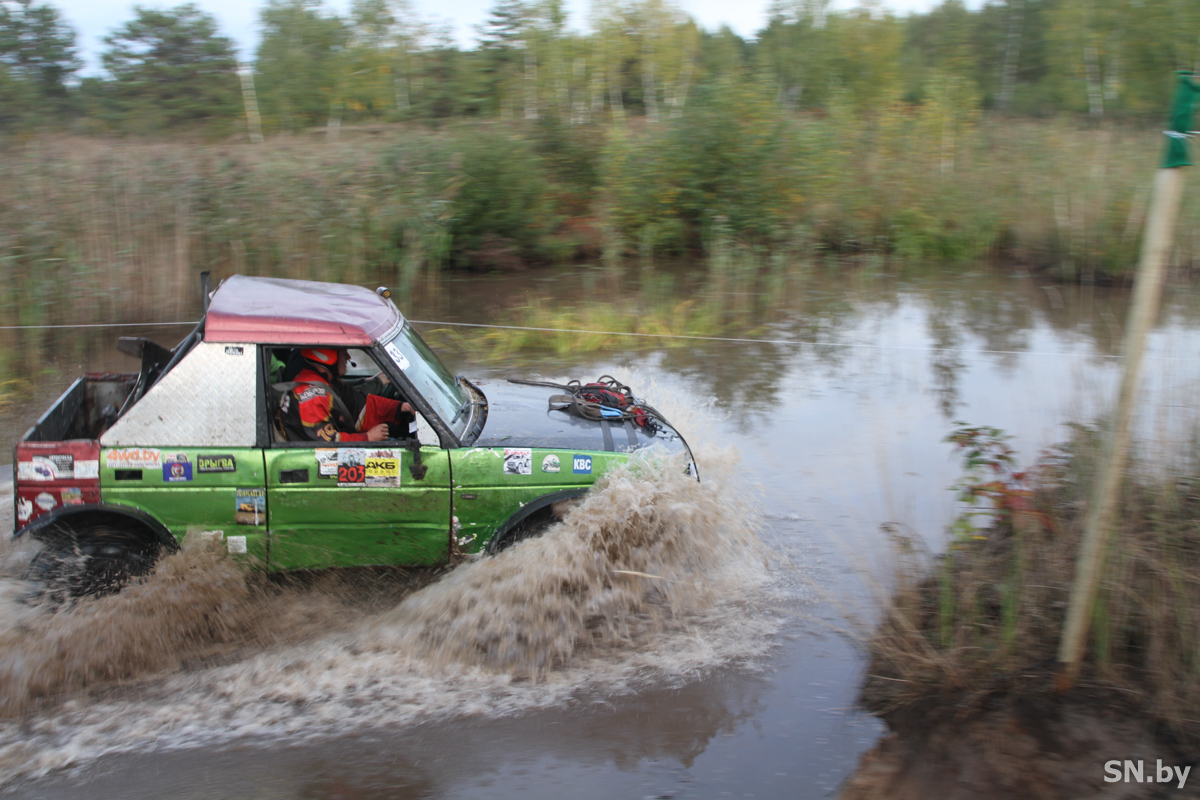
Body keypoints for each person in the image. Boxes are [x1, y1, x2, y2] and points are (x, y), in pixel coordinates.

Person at [279, 348, 416, 443]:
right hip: (319, 460)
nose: (348, 357)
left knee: (395, 435)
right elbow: (326, 443)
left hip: (331, 449)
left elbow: (357, 403)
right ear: (327, 357)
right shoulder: (312, 395)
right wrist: (367, 437)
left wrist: (399, 407)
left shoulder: (326, 381)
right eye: (344, 353)